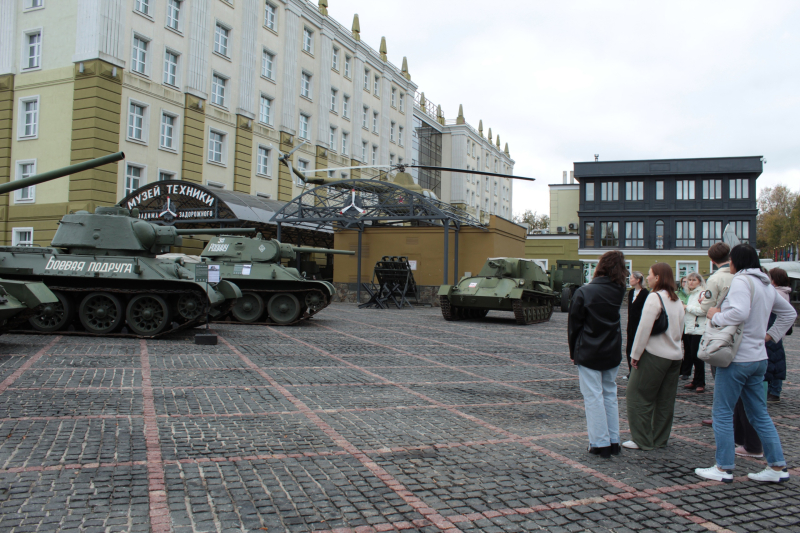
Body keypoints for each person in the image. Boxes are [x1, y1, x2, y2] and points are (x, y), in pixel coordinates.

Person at [695, 244, 796, 483]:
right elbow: (789, 313)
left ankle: (723, 467)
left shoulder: (741, 281)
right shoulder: (765, 284)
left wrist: (714, 316)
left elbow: (738, 313)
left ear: (735, 262)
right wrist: (770, 336)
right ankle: (776, 466)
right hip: (758, 358)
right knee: (759, 415)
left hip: (736, 359)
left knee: (721, 412)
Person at [568, 250, 628, 458]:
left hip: (589, 349)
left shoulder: (585, 291)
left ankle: (599, 443)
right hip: (611, 348)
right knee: (610, 395)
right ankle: (614, 441)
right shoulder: (619, 290)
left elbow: (574, 325)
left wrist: (573, 350)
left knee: (593, 396)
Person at [624, 263, 685, 450]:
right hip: (675, 356)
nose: (647, 278)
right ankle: (659, 439)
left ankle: (641, 439)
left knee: (637, 396)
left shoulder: (654, 297)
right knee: (665, 400)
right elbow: (681, 330)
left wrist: (635, 355)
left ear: (658, 278)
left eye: (649, 275)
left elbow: (643, 329)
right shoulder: (677, 300)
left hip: (655, 354)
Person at [699, 243, 735, 427]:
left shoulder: (716, 278)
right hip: (739, 329)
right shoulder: (738, 275)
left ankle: (721, 415)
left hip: (719, 331)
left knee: (719, 374)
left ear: (712, 260)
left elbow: (706, 307)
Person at [765, 267, 793, 403]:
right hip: (775, 331)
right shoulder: (783, 292)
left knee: (774, 362)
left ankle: (774, 390)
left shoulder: (777, 293)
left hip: (773, 331)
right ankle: (773, 389)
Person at [681, 272, 708, 391]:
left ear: (699, 282)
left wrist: (687, 308)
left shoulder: (702, 293)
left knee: (697, 356)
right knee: (692, 355)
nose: (690, 282)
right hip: (690, 328)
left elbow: (703, 311)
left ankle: (700, 382)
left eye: (693, 280)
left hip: (698, 329)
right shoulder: (691, 294)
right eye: (689, 280)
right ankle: (695, 380)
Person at [625, 271, 649, 380]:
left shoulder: (645, 293)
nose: (629, 280)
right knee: (629, 349)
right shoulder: (630, 293)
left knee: (639, 349)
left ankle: (639, 372)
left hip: (640, 325)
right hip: (631, 325)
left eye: (631, 278)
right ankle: (631, 371)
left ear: (638, 280)